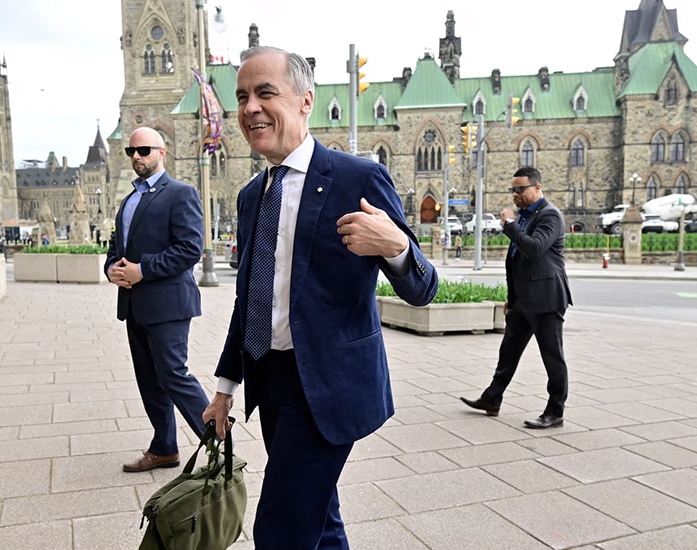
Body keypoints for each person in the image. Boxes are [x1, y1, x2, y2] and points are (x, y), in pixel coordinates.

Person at [202, 46, 438, 549]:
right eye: (242, 97)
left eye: (266, 93)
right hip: (271, 379)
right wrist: (225, 387)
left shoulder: (357, 178)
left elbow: (422, 289)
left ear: (306, 100)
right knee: (320, 519)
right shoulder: (251, 196)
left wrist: (395, 246)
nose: (250, 108)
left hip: (328, 386)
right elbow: (250, 298)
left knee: (280, 529)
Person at [107, 127, 210, 473]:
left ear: (162, 152)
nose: (137, 156)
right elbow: (117, 246)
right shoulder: (129, 200)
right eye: (131, 151)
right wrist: (111, 268)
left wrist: (143, 270)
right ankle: (164, 448)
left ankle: (221, 447)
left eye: (144, 150)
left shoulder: (180, 193)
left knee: (173, 375)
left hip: (168, 306)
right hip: (134, 305)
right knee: (149, 381)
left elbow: (189, 249)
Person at [460, 166, 572, 429]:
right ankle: (492, 399)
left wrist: (510, 225)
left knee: (552, 357)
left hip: (546, 299)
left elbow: (534, 249)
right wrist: (512, 297)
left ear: (537, 187)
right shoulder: (524, 217)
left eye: (520, 189)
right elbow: (515, 262)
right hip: (523, 300)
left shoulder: (550, 215)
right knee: (508, 352)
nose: (515, 194)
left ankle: (555, 411)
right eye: (513, 189)